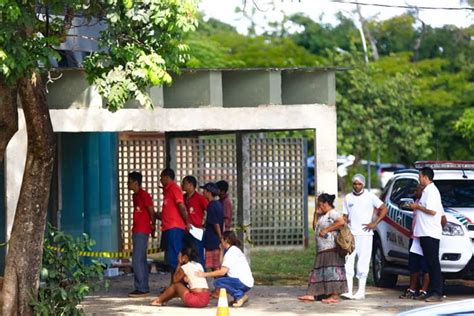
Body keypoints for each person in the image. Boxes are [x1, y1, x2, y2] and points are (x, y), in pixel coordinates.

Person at [342, 174, 387, 300]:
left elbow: (384, 209)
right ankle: (349, 291)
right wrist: (344, 229)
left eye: (359, 184)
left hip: (366, 235)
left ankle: (361, 291)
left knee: (363, 263)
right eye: (355, 183)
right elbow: (345, 216)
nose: (357, 186)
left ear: (363, 184)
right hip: (351, 235)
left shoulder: (370, 196)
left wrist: (375, 223)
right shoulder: (348, 198)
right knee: (348, 262)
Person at [298, 193, 347, 304]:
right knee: (319, 272)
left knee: (332, 272)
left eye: (320, 204)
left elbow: (341, 222)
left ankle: (334, 296)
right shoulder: (322, 215)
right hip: (322, 249)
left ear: (326, 203)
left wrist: (327, 230)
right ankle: (313, 294)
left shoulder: (332, 213)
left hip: (331, 248)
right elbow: (315, 227)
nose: (319, 206)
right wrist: (316, 214)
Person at [409, 167, 445, 302]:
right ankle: (431, 291)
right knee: (429, 264)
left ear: (425, 177)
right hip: (423, 232)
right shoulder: (426, 191)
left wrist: (417, 207)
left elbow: (432, 211)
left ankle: (437, 292)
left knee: (433, 263)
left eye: (420, 176)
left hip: (430, 232)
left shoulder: (432, 192)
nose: (419, 179)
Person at [197, 231, 254, 308]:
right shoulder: (233, 250)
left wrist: (204, 274)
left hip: (242, 282)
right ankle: (238, 297)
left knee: (218, 282)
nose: (220, 241)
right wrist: (221, 250)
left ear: (226, 240)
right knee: (225, 279)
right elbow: (222, 264)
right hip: (244, 281)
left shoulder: (231, 252)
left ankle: (240, 296)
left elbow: (222, 272)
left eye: (221, 239)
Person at [157, 168, 190, 283]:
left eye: (161, 177)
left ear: (166, 177)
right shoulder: (167, 191)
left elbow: (181, 206)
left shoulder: (174, 189)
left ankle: (177, 284)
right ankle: (173, 284)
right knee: (170, 258)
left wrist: (187, 222)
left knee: (176, 257)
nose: (160, 180)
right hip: (167, 227)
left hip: (174, 228)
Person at [127, 171, 156, 297]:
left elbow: (151, 211)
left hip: (142, 230)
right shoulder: (135, 196)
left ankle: (141, 287)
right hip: (137, 229)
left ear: (136, 183)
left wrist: (153, 225)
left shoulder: (144, 195)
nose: (127, 184)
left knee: (137, 260)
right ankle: (143, 285)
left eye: (129, 182)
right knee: (141, 259)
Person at [399, 184, 430, 300]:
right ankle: (411, 290)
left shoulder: (429, 202)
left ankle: (424, 291)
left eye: (417, 190)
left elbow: (442, 220)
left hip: (425, 238)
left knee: (425, 266)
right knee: (413, 266)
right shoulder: (416, 201)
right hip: (415, 238)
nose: (415, 192)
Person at [182, 175, 208, 267]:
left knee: (198, 255)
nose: (182, 185)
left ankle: (201, 276)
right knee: (185, 255)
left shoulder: (200, 198)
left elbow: (209, 210)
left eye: (184, 183)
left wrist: (205, 224)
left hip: (196, 231)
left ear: (191, 184)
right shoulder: (182, 198)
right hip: (184, 230)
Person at [201, 182, 224, 272]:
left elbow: (215, 223)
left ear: (209, 192)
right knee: (216, 266)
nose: (203, 192)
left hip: (213, 241)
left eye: (204, 190)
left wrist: (220, 238)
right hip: (215, 240)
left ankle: (220, 285)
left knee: (215, 266)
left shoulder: (211, 205)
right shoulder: (218, 204)